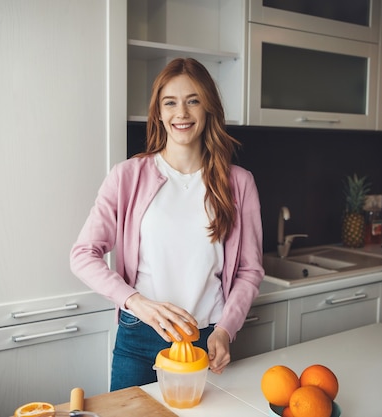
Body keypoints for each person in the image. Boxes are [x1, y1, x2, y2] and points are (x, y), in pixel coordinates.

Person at [70, 57, 264, 391]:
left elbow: (249, 270)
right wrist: (136, 302)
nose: (182, 113)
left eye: (193, 101)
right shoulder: (127, 176)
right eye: (170, 102)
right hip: (139, 340)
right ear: (158, 112)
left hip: (206, 340)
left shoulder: (239, 183)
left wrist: (225, 330)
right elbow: (83, 254)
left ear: (208, 109)